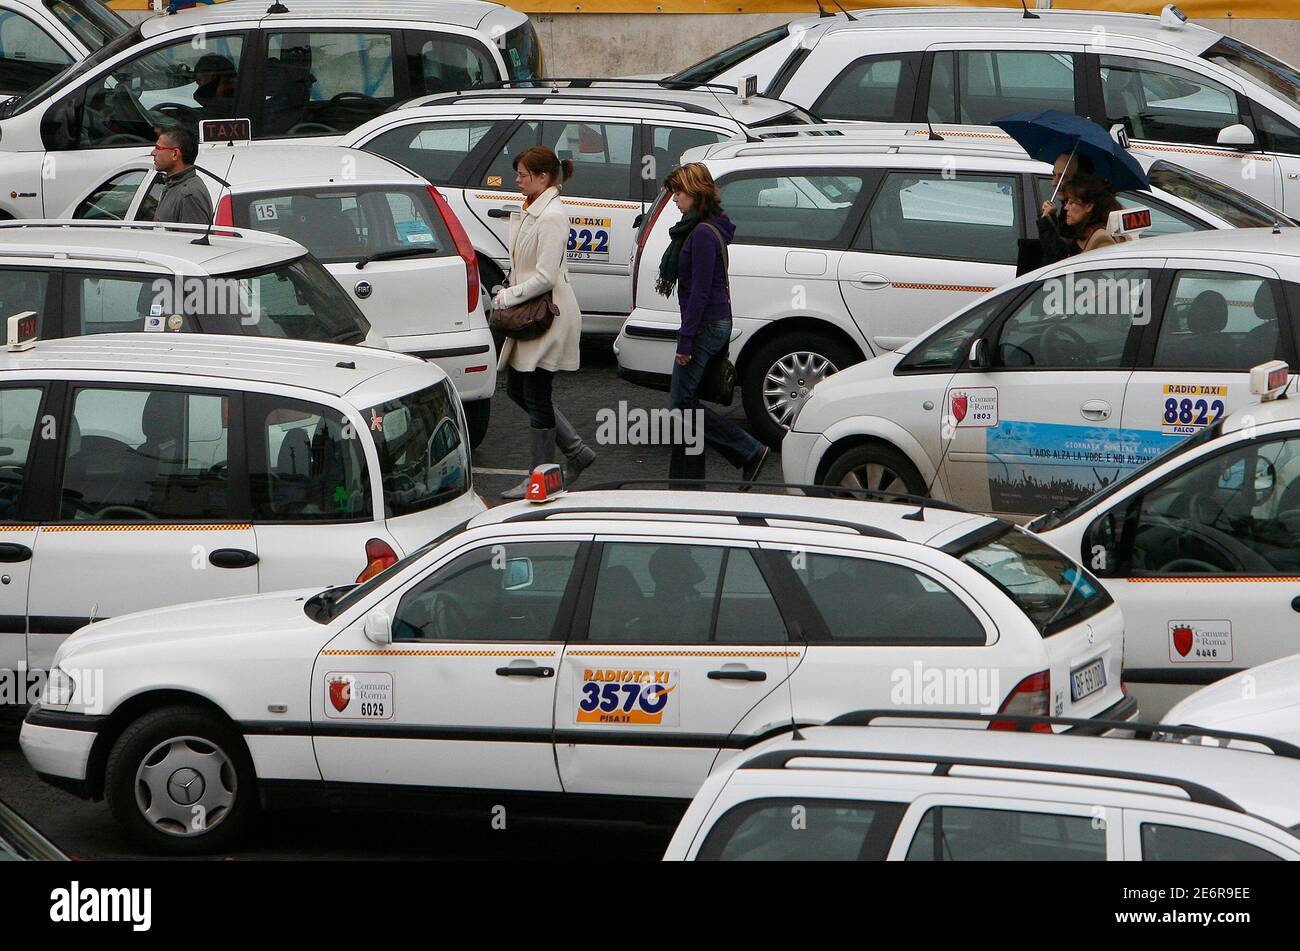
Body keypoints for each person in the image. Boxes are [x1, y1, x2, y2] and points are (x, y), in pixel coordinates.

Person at [656, 162, 768, 485]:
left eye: (678, 192)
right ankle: (685, 482)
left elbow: (701, 292)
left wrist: (686, 340)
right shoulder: (702, 228)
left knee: (680, 406)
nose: (674, 199)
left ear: (696, 192)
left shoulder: (703, 234)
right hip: (712, 322)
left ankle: (748, 450)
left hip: (705, 324)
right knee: (688, 404)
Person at [493, 145, 593, 499]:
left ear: (543, 177)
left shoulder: (551, 215)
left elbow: (547, 276)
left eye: (522, 175)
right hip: (533, 313)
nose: (517, 180)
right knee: (521, 390)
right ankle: (576, 452)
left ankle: (540, 475)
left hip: (547, 315)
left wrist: (508, 295)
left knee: (535, 392)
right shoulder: (532, 209)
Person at [1036, 151, 1095, 266]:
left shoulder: (1085, 221)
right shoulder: (1066, 211)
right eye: (1054, 175)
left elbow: (1058, 260)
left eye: (1063, 177)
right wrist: (1050, 218)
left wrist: (1046, 224)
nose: (1054, 183)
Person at [152, 127, 213, 225]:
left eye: (158, 148)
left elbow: (190, 238)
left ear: (175, 154)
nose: (153, 153)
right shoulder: (173, 185)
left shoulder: (189, 194)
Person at [1062, 174, 1125, 253]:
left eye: (1071, 202)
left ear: (1089, 206)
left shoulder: (1101, 238)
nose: (1066, 207)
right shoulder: (1081, 232)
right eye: (1066, 202)